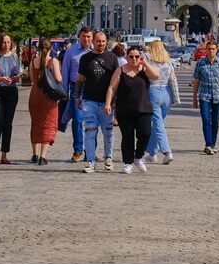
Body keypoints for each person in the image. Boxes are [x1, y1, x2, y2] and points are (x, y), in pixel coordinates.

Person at [105, 45, 160, 174]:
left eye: (137, 56)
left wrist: (145, 62)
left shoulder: (143, 70)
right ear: (127, 57)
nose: (134, 59)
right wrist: (108, 103)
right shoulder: (120, 70)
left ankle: (138, 157)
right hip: (125, 110)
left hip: (143, 108)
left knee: (146, 133)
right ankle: (127, 162)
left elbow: (156, 75)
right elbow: (111, 88)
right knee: (128, 136)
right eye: (131, 57)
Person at [76, 31, 119, 173]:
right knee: (89, 131)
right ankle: (90, 161)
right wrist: (77, 97)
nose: (101, 44)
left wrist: (114, 101)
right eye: (98, 41)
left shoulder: (112, 58)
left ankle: (108, 158)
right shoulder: (85, 58)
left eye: (103, 41)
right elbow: (80, 79)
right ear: (93, 42)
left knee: (108, 132)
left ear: (106, 42)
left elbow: (116, 82)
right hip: (89, 101)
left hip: (106, 102)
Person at [0, 32, 21, 165]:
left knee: (8, 123)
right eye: (3, 42)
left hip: (11, 91)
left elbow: (17, 73)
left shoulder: (14, 56)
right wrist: (1, 79)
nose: (6, 45)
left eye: (8, 42)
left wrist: (16, 78)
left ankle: (4, 153)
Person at [143, 40, 180, 164]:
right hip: (167, 92)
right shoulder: (167, 61)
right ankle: (152, 152)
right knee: (159, 124)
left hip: (154, 91)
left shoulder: (149, 60)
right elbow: (172, 79)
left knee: (158, 125)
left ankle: (167, 152)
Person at [191, 41, 219, 154]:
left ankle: (213, 144)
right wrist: (194, 98)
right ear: (206, 50)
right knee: (206, 120)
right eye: (209, 49)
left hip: (218, 96)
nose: (211, 51)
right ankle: (208, 144)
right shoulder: (201, 63)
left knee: (215, 122)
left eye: (213, 49)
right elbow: (196, 80)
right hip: (205, 96)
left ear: (216, 50)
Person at [28, 37, 62, 165]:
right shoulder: (53, 61)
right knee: (48, 124)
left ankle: (34, 154)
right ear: (51, 49)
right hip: (48, 96)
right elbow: (58, 79)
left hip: (35, 95)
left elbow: (32, 79)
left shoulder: (33, 62)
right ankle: (43, 156)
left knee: (35, 123)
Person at [61, 26, 93, 163]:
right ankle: (78, 150)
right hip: (76, 88)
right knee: (78, 120)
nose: (86, 39)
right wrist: (64, 91)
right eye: (84, 36)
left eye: (89, 36)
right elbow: (65, 71)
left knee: (92, 121)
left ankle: (91, 151)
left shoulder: (96, 50)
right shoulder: (71, 51)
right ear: (79, 37)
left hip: (93, 88)